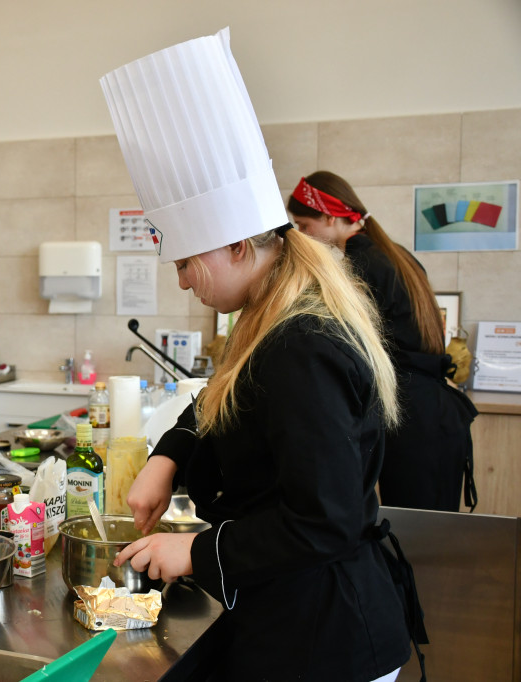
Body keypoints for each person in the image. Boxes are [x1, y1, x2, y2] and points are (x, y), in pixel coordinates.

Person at [103, 30, 415, 681]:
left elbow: (321, 521)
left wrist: (194, 550)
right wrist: (169, 455)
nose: (184, 280)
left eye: (188, 262)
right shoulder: (265, 322)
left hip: (330, 640)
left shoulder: (302, 345)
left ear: (240, 248)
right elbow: (222, 395)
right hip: (291, 618)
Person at [287, 171, 478, 512]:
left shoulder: (361, 264)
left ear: (331, 217)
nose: (302, 236)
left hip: (414, 418)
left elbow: (347, 345)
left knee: (419, 539)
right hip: (430, 413)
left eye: (304, 225)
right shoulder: (392, 253)